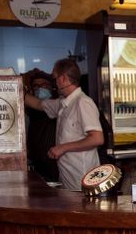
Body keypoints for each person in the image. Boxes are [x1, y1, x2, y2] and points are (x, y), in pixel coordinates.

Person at [24, 59, 103, 190]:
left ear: (63, 79)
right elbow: (38, 104)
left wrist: (63, 147)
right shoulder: (64, 103)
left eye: (55, 79)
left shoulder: (83, 103)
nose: (55, 83)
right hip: (68, 176)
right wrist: (16, 89)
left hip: (82, 177)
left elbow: (97, 138)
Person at [23, 69, 59, 182]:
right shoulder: (28, 112)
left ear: (52, 87)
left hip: (56, 164)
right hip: (37, 167)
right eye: (36, 86)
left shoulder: (58, 106)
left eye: (44, 85)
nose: (40, 89)